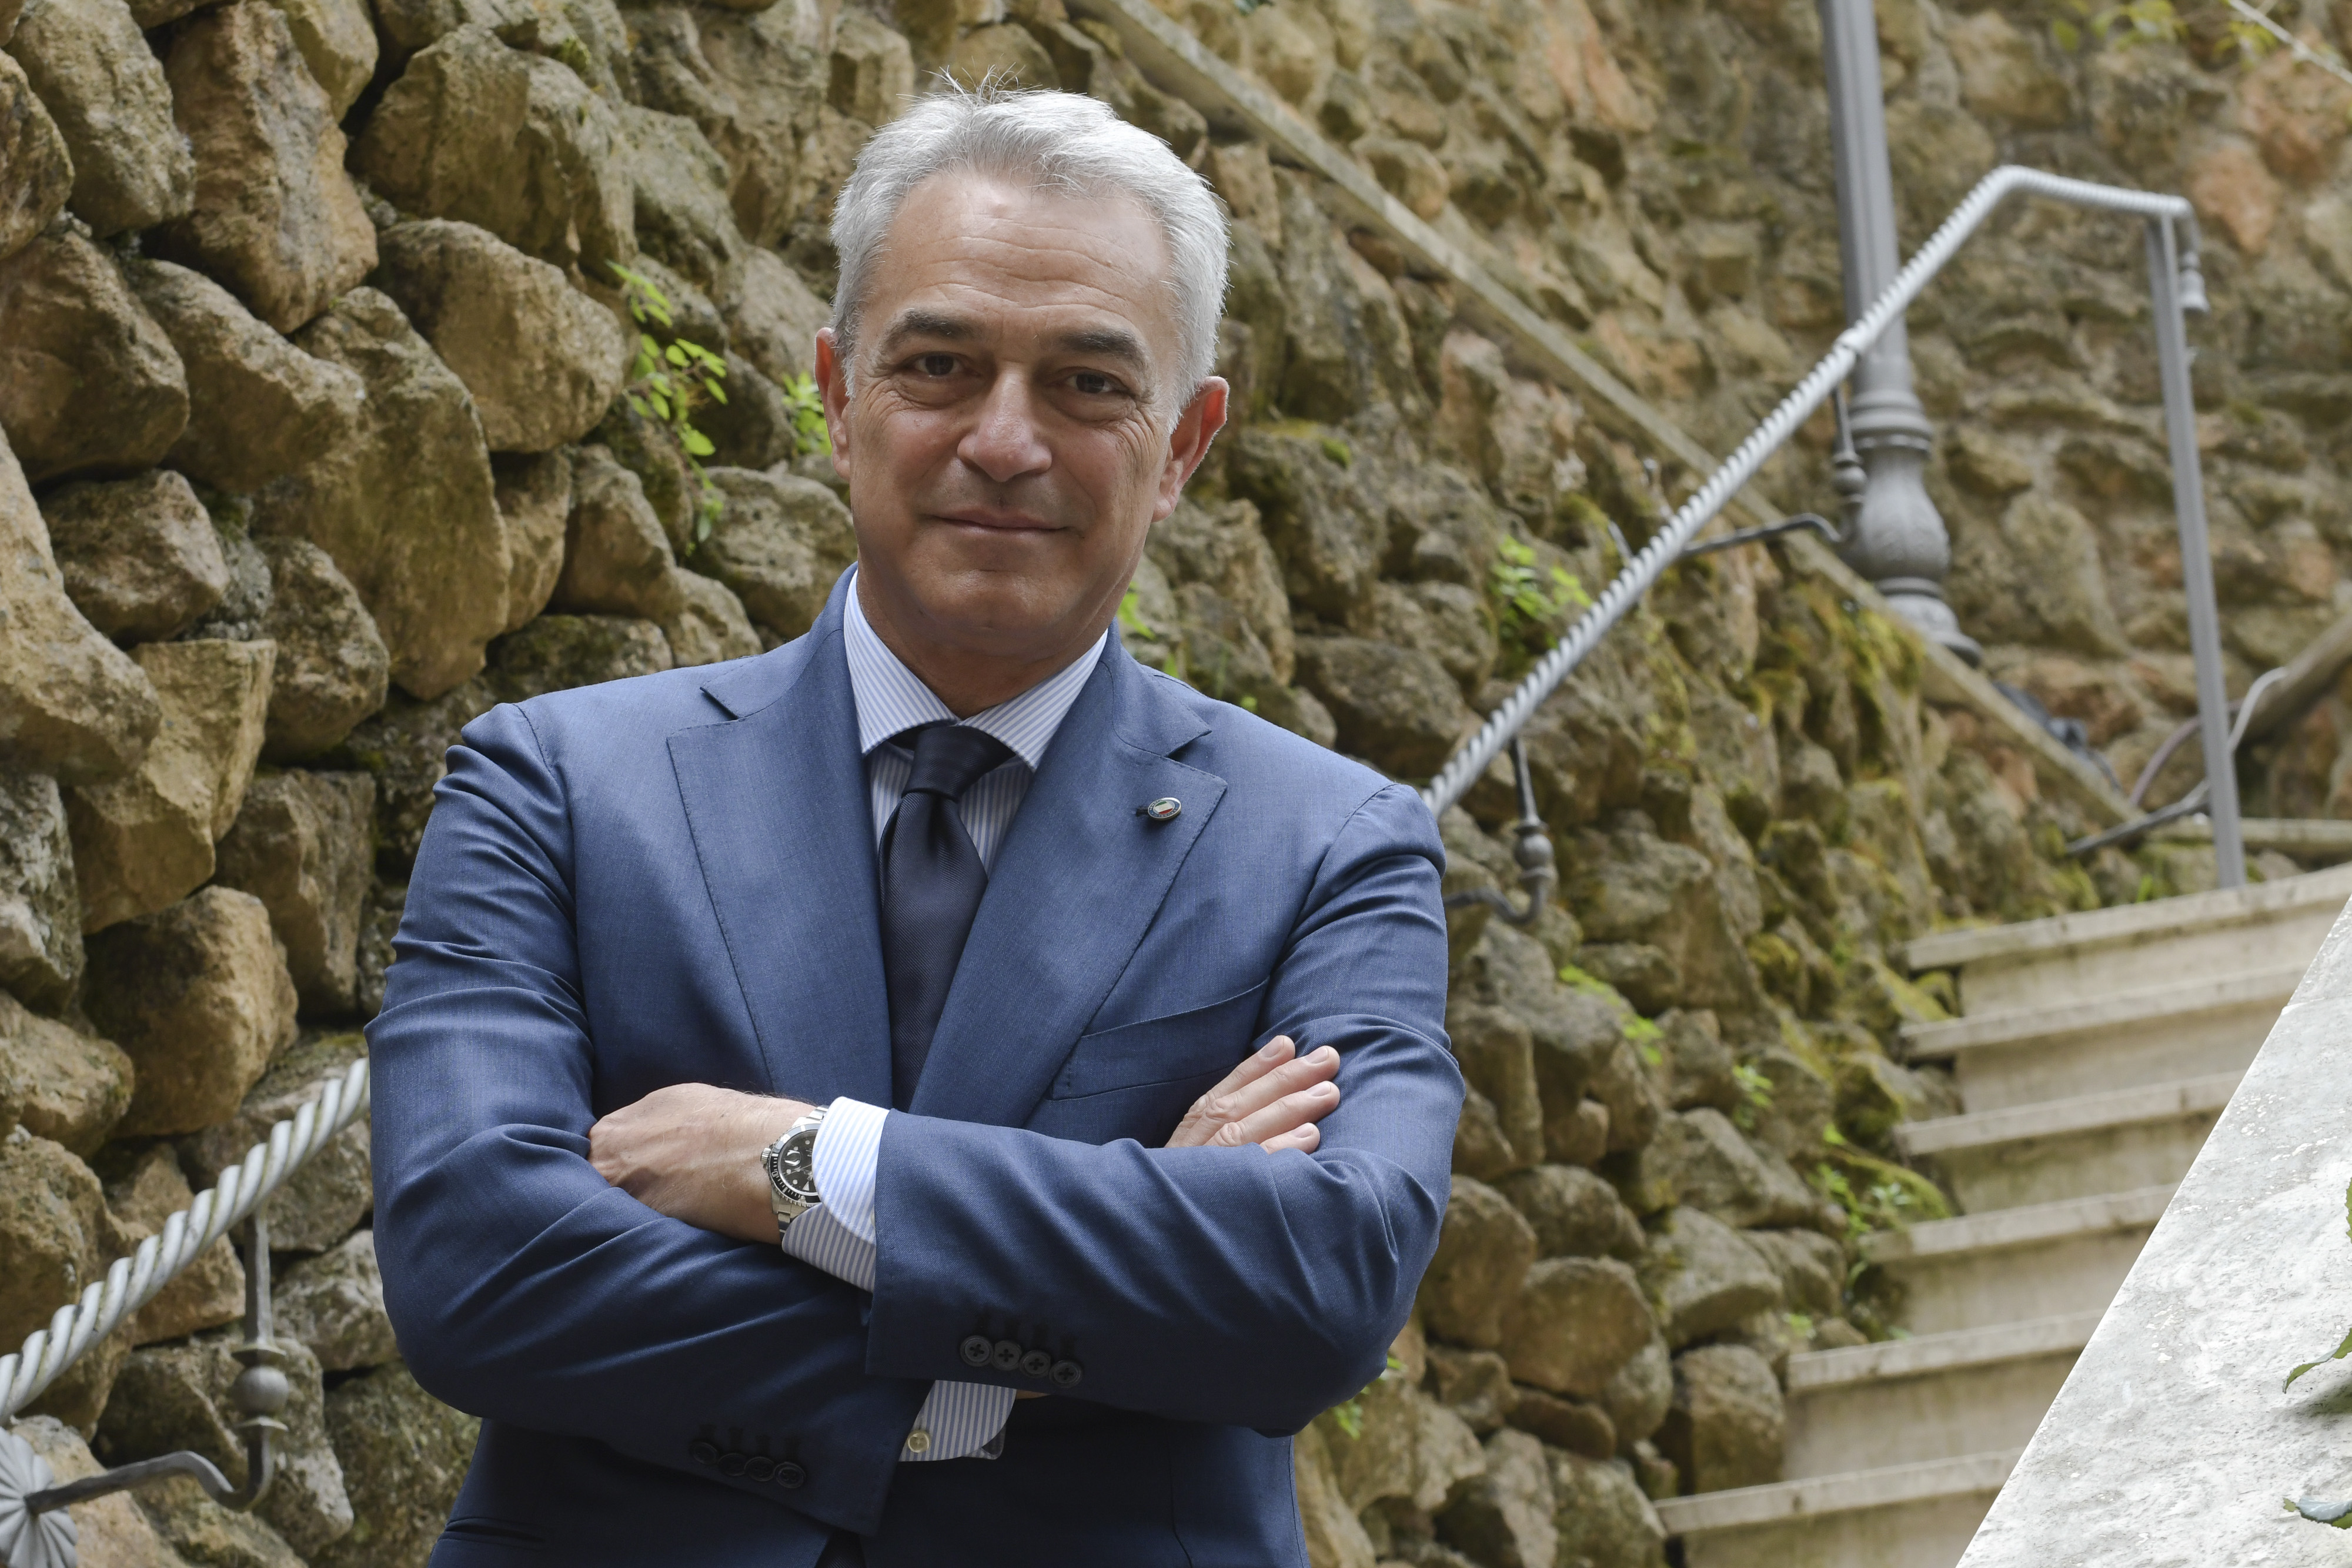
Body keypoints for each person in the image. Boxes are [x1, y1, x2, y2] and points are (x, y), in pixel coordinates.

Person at [368, 82, 1462, 1567]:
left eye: (1086, 382)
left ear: (1183, 443)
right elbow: (479, 1272)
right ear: (835, 392)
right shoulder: (554, 784)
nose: (1003, 440)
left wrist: (804, 1167)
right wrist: (1090, 1306)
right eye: (939, 364)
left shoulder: (1332, 843)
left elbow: (1319, 1287)